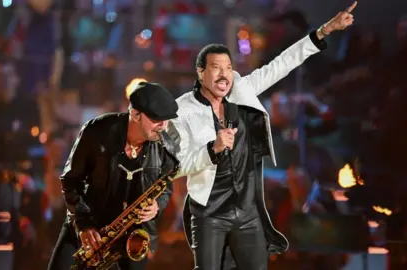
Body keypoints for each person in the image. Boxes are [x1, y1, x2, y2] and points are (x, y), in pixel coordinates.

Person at [167, 2, 357, 269]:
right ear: (201, 73)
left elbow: (284, 62)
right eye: (215, 68)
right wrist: (212, 150)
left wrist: (324, 31)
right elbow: (176, 167)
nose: (224, 74)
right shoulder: (184, 110)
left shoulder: (242, 90)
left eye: (227, 67)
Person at [47, 82, 180, 270]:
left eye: (167, 120)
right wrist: (84, 225)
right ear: (135, 114)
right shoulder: (96, 131)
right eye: (157, 119)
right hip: (88, 226)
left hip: (133, 237)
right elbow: (71, 180)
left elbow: (165, 188)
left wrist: (157, 206)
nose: (163, 126)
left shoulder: (166, 147)